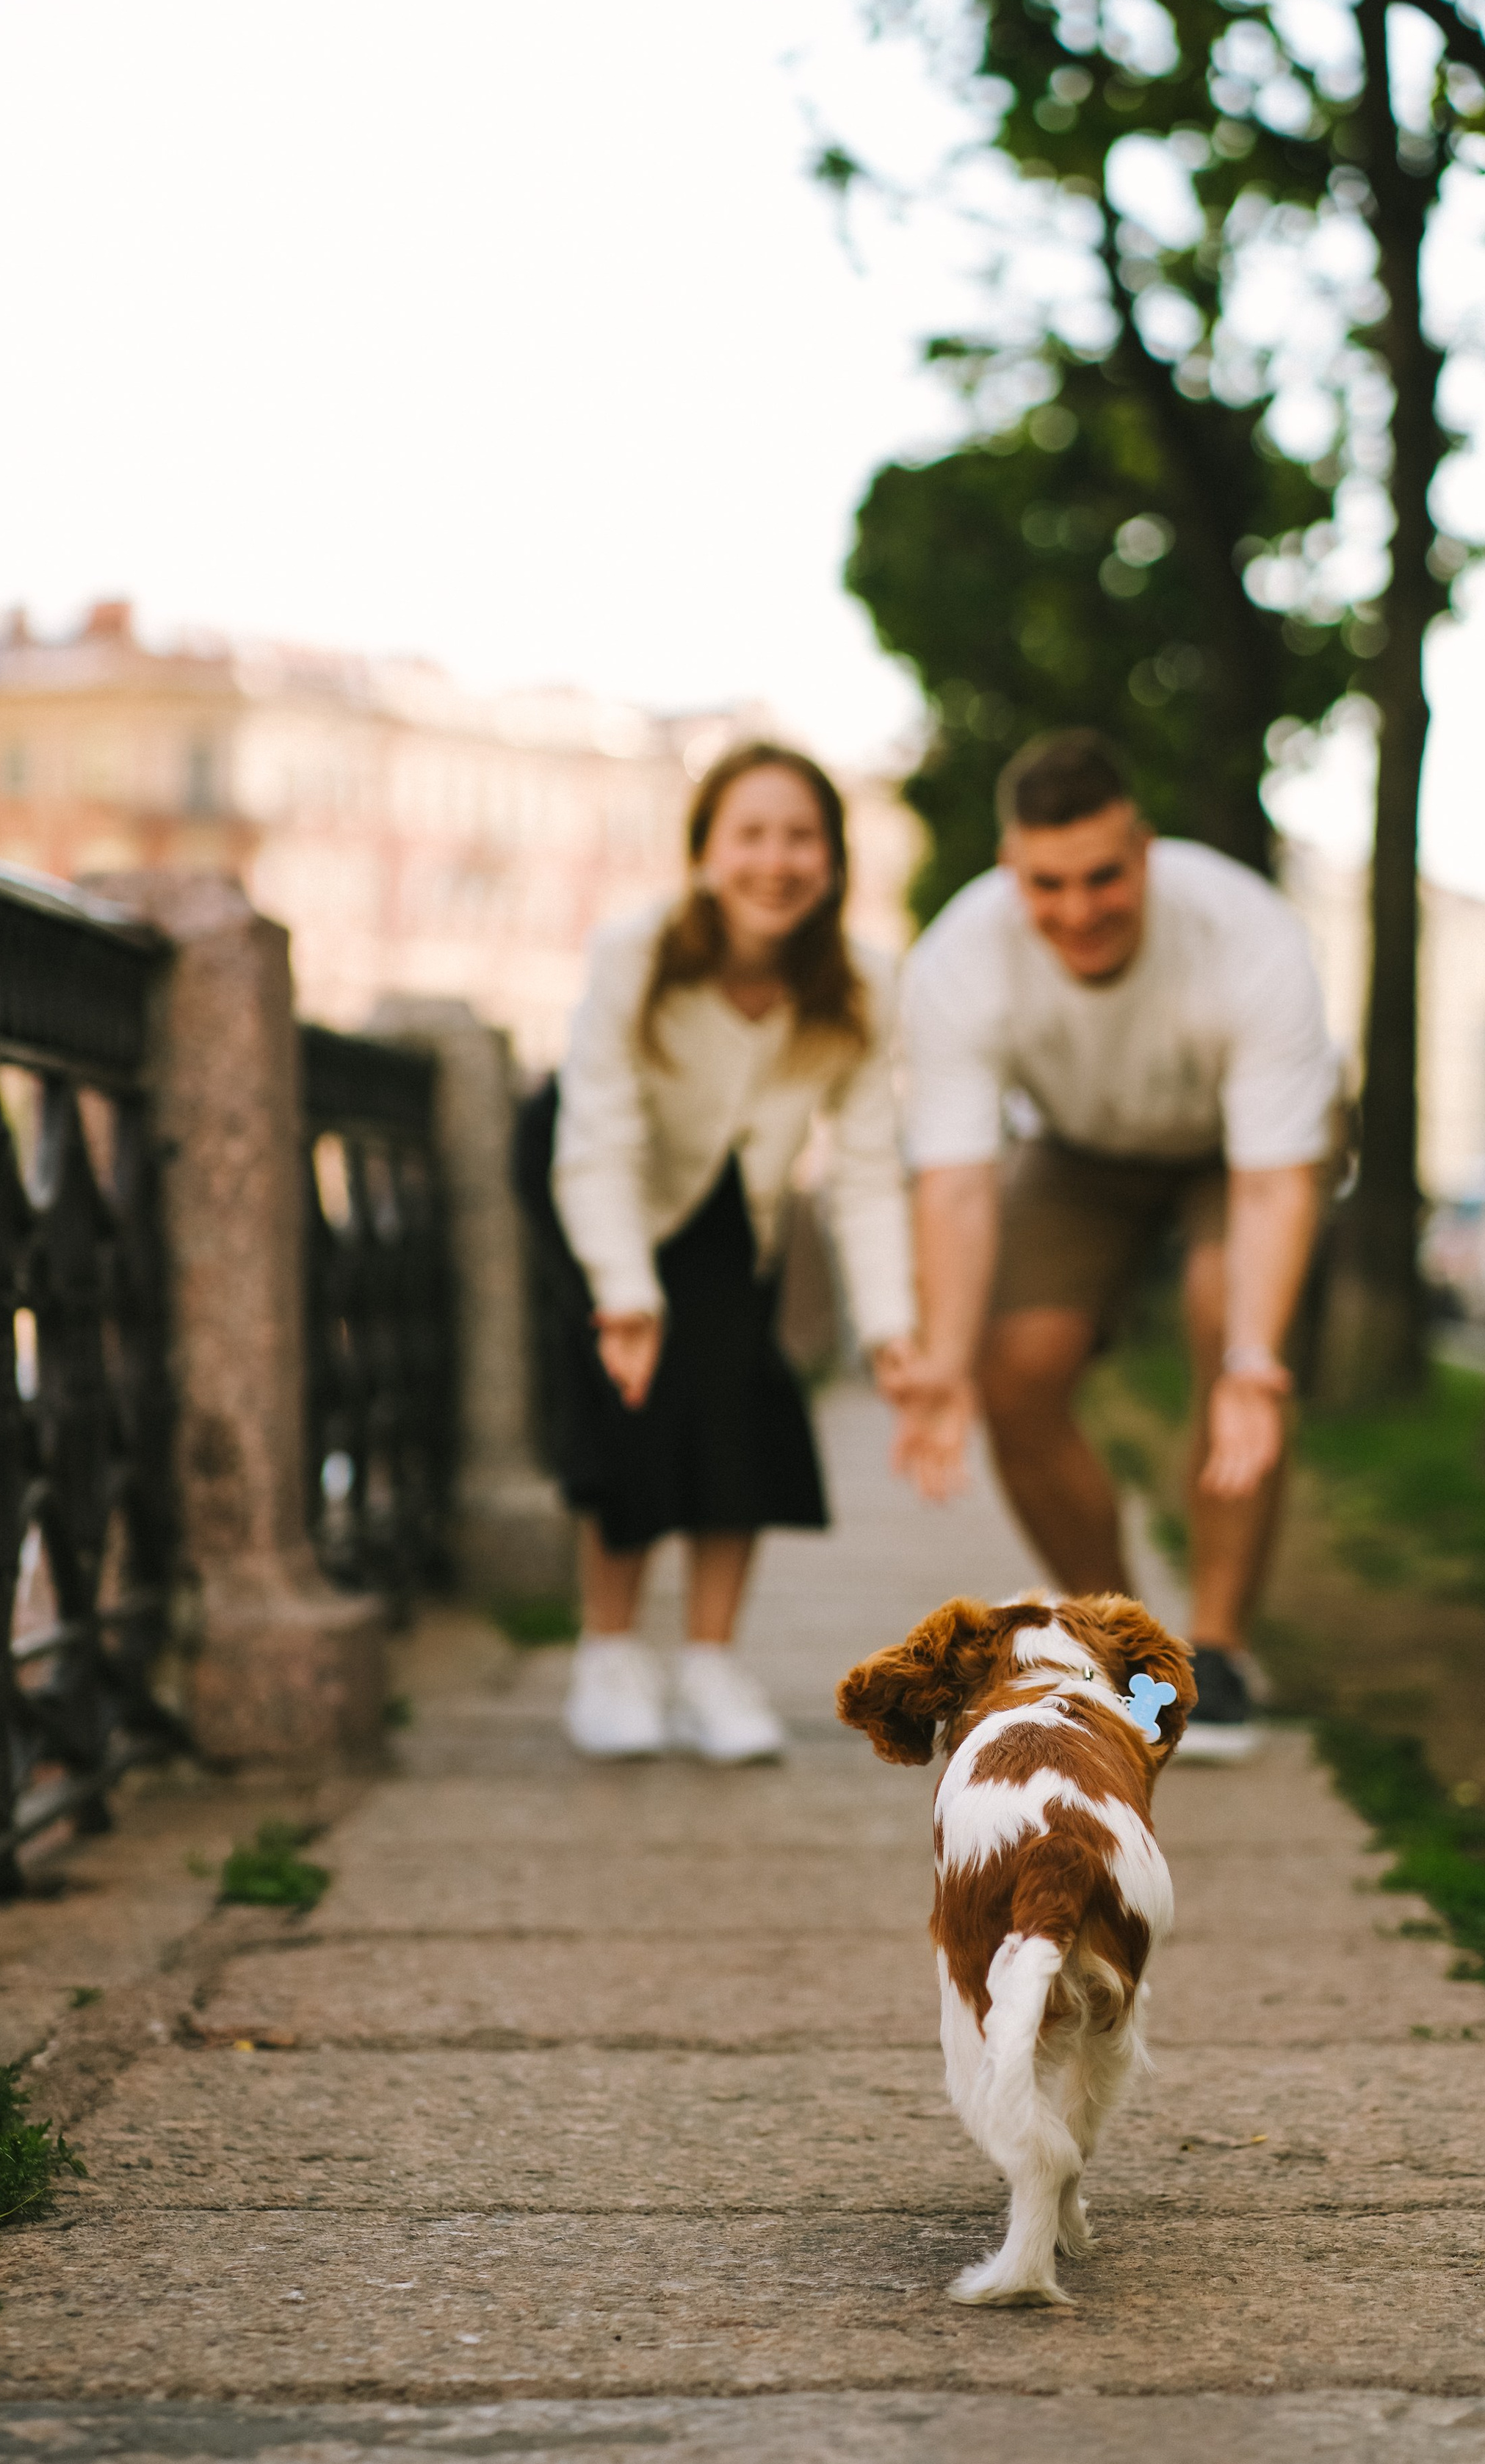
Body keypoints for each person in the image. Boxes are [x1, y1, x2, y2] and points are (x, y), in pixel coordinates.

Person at [892, 728, 1339, 1757]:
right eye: (1049, 885)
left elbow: (1275, 1181)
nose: (1079, 909)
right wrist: (948, 1363)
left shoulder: (1247, 932)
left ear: (1144, 852)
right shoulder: (961, 958)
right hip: (1083, 1146)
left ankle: (1218, 1650)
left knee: (1229, 1332)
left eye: (1103, 877)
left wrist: (1253, 1363)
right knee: (1015, 1371)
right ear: (1012, 871)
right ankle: (1133, 1658)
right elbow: (956, 1183)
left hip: (1241, 1147)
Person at [534, 741, 917, 1763]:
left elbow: (871, 1169)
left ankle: (710, 1664)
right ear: (705, 852)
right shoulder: (637, 952)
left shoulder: (864, 986)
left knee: (740, 1397)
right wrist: (623, 1290)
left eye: (802, 838)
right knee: (631, 1404)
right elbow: (598, 1138)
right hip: (599, 1177)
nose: (776, 861)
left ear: (834, 861)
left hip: (732, 1203)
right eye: (750, 835)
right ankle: (608, 1654)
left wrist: (890, 1328)